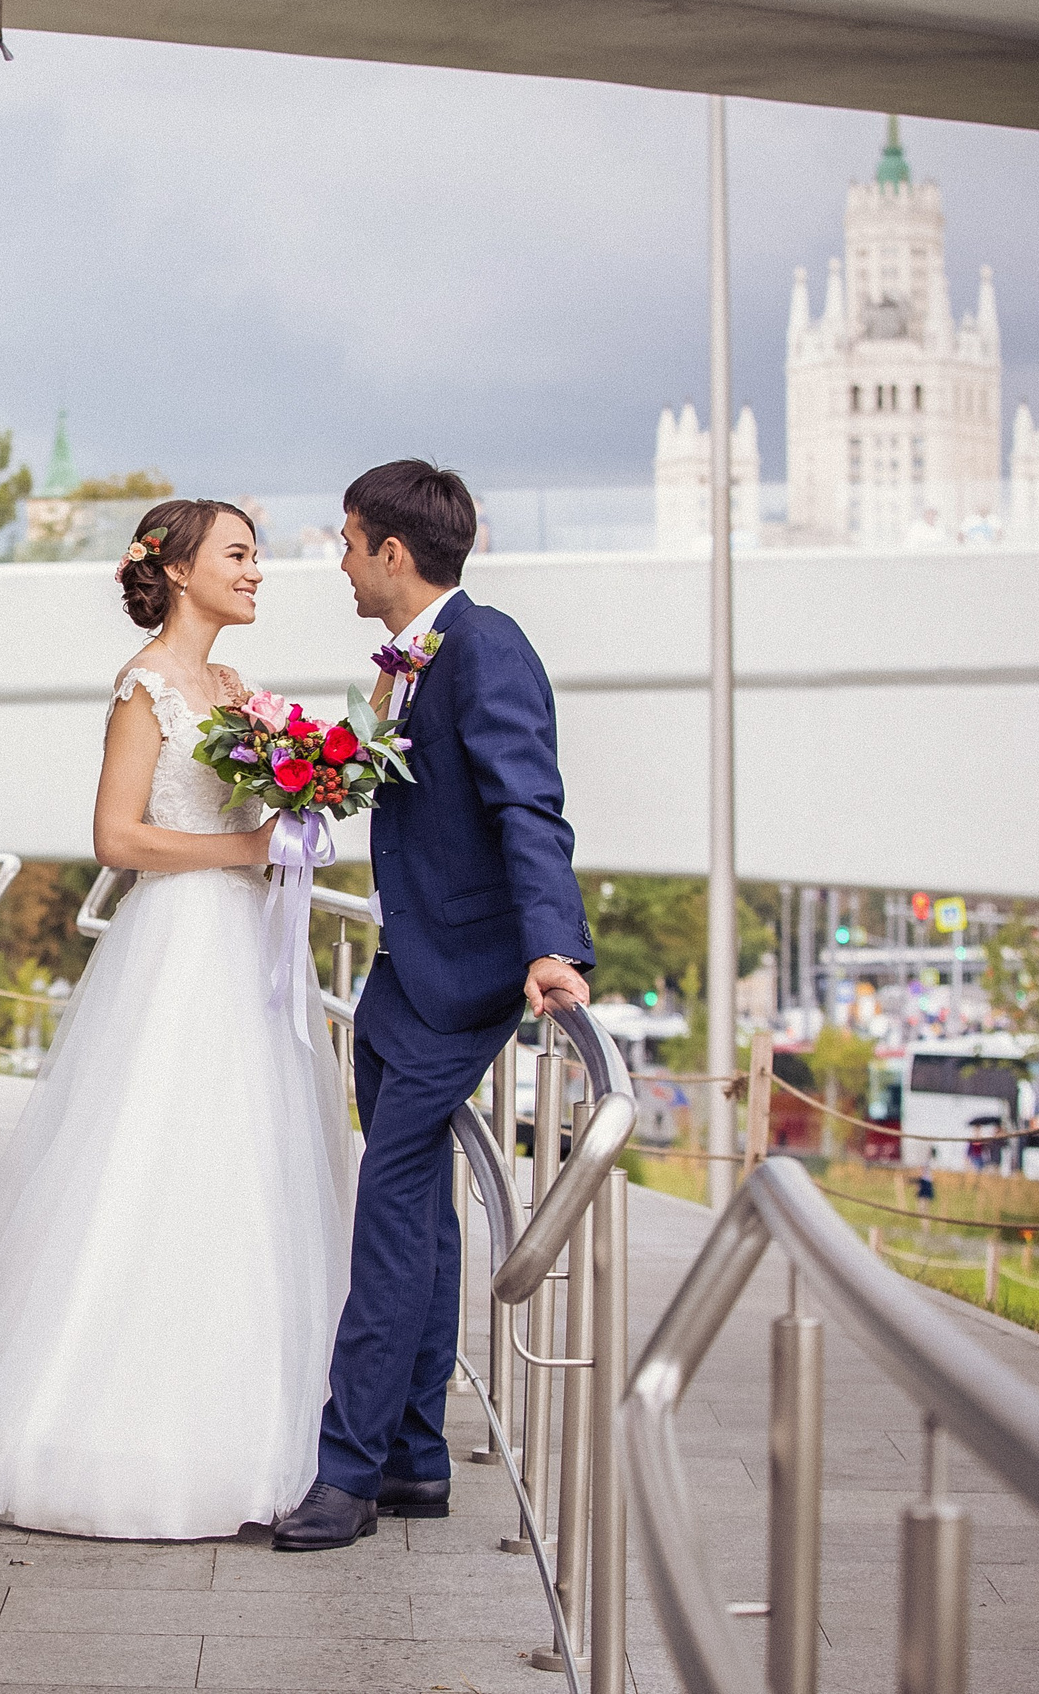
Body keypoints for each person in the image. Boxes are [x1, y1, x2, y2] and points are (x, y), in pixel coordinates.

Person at [0, 499, 356, 1539]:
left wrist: (302, 814)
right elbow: (115, 834)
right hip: (182, 946)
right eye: (239, 556)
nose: (257, 572)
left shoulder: (237, 691)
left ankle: (249, 1422)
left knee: (246, 1176)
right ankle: (106, 1425)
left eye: (256, 557)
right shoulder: (145, 686)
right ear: (181, 571)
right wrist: (252, 849)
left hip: (249, 951)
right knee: (157, 1163)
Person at [274, 460, 594, 1551]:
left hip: (461, 980)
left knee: (390, 1206)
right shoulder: (410, 661)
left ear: (393, 553)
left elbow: (528, 804)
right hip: (403, 971)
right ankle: (412, 1459)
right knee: (418, 1215)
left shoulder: (486, 646)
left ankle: (346, 1473)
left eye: (350, 539)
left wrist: (551, 947)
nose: (342, 559)